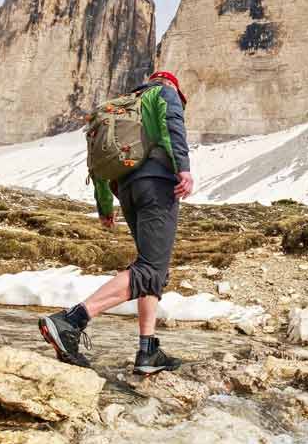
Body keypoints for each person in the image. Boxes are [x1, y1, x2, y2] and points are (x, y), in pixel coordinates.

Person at [39, 70, 194, 374]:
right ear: (171, 84)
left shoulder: (118, 108)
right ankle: (71, 321)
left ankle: (148, 351)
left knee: (151, 268)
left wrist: (105, 206)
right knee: (150, 268)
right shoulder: (163, 93)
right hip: (156, 183)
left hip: (127, 190)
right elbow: (172, 125)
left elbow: (98, 161)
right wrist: (183, 168)